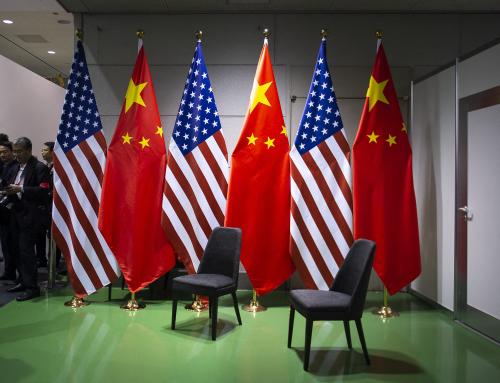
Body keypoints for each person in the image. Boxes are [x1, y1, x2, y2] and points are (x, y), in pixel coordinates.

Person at [5, 137, 50, 301]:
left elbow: (44, 191)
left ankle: (32, 287)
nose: (16, 155)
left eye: (19, 151)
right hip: (15, 214)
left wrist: (21, 189)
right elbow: (7, 183)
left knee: (27, 252)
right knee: (15, 250)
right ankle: (23, 281)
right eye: (15, 151)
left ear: (29, 151)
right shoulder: (14, 167)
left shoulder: (40, 168)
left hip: (31, 217)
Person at [35, 142, 55, 268]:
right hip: (43, 206)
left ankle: (55, 264)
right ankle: (41, 259)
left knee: (53, 236)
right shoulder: (46, 167)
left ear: (53, 151)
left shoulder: (58, 167)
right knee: (40, 234)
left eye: (45, 150)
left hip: (53, 205)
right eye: (41, 150)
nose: (42, 152)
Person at [0, 141, 18, 279]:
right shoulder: (4, 166)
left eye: (5, 152)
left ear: (12, 152)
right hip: (4, 210)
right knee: (5, 244)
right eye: (0, 152)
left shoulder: (16, 167)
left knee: (12, 245)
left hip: (13, 210)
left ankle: (14, 273)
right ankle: (9, 271)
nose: (2, 155)